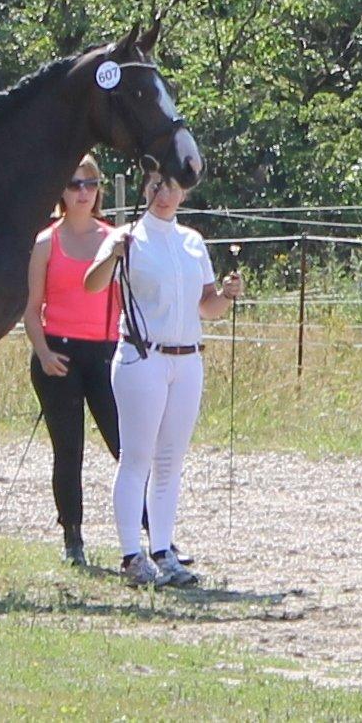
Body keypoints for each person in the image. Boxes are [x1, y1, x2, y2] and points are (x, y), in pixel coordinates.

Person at [84, 169, 243, 587]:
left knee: (170, 460)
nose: (164, 194)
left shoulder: (192, 242)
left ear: (183, 193)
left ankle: (162, 549)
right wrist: (112, 255)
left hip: (187, 358)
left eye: (172, 186)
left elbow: (205, 306)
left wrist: (226, 296)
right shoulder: (127, 237)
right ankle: (130, 554)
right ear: (144, 188)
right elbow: (92, 284)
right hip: (143, 356)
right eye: (156, 185)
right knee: (137, 456)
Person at [24, 154, 121, 566]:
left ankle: (151, 533)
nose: (83, 192)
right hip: (59, 353)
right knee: (69, 450)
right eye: (74, 184)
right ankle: (73, 536)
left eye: (91, 184)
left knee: (126, 447)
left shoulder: (116, 240)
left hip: (106, 353)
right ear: (61, 191)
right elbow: (31, 309)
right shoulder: (45, 242)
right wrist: (44, 352)